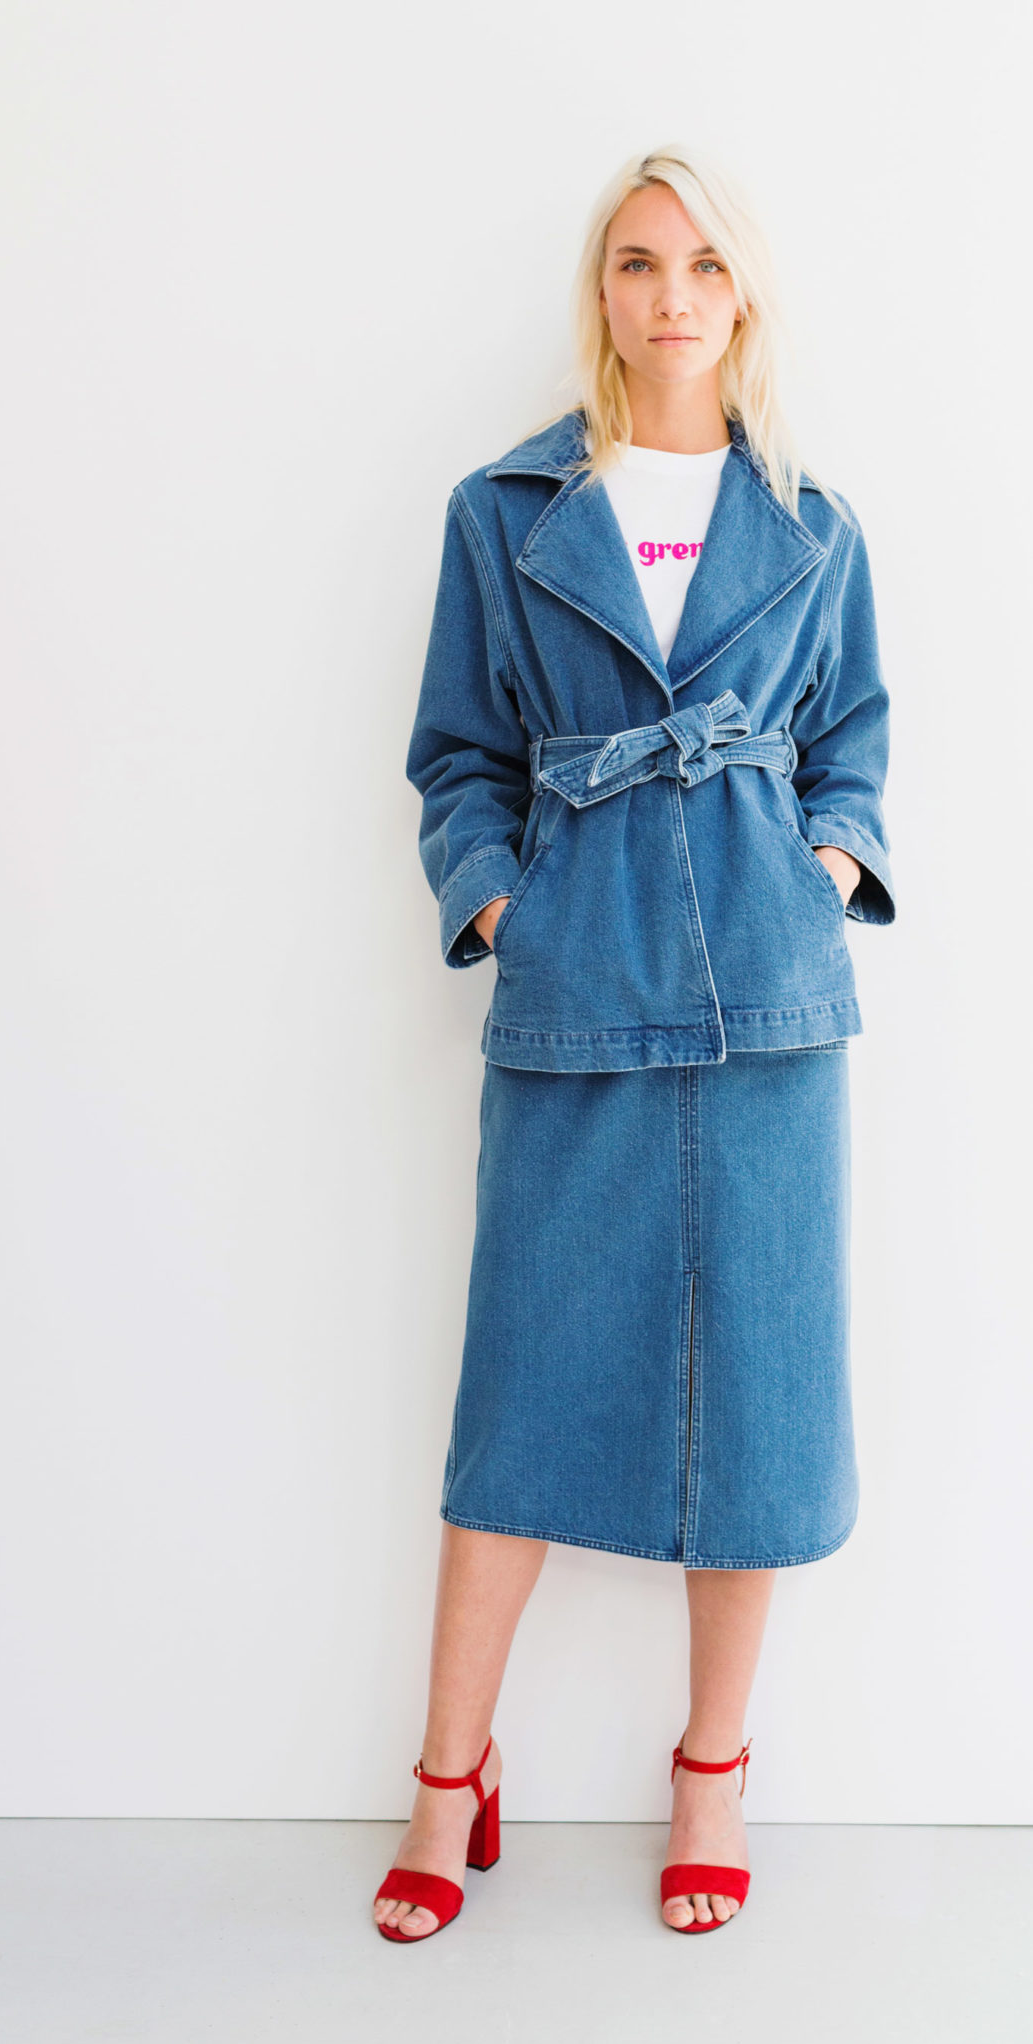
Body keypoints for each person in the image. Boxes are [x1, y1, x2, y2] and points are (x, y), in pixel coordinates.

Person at [374, 143, 896, 1943]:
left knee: (755, 1403)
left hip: (768, 1003)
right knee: (517, 1397)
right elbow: (458, 755)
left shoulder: (811, 522)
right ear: (599, 292)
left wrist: (827, 866)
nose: (670, 294)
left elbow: (852, 741)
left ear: (742, 296)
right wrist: (503, 908)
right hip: (575, 988)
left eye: (701, 264)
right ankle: (448, 1773)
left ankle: (712, 1772)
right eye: (635, 261)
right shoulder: (502, 510)